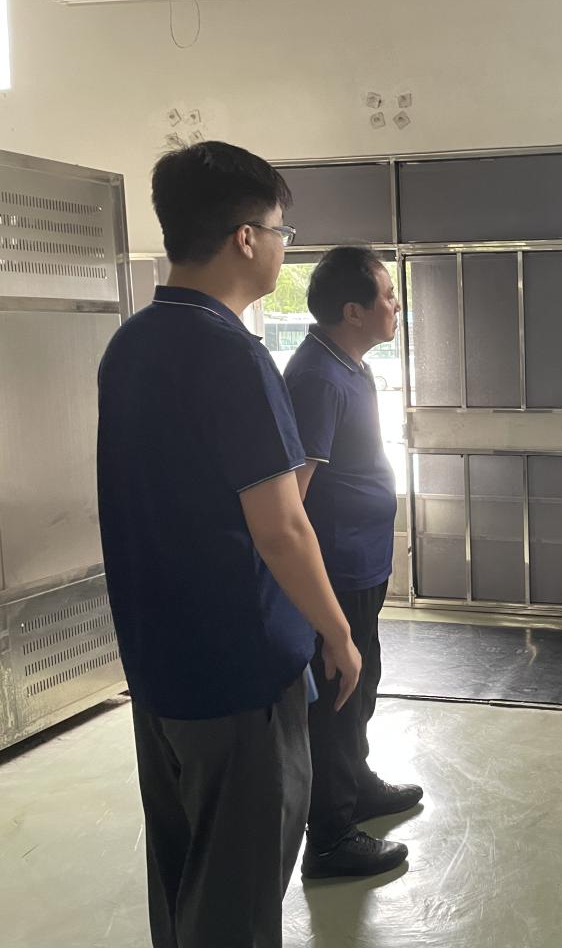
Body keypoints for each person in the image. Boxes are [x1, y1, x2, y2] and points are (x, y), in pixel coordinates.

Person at [97, 141, 361, 948]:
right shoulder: (232, 354)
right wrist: (338, 632)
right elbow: (280, 526)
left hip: (160, 663)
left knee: (182, 872)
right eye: (281, 231)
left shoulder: (131, 343)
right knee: (240, 895)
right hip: (240, 669)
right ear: (245, 238)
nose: (283, 247)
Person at [283, 246, 423, 878]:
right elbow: (293, 495)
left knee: (361, 680)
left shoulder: (350, 364)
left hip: (362, 563)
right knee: (336, 696)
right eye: (388, 296)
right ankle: (331, 836)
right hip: (335, 569)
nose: (396, 306)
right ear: (353, 311)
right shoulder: (317, 377)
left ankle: (356, 784)